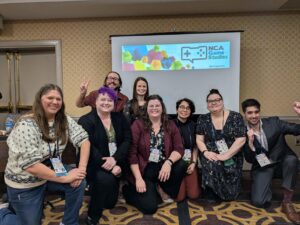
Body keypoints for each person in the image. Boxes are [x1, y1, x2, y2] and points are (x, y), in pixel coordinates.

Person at [3, 83, 90, 225]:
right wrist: (65, 178)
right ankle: (3, 211)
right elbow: (31, 166)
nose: (55, 102)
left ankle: (69, 222)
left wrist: (81, 169)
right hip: (26, 182)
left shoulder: (63, 120)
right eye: (50, 98)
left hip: (51, 172)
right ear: (39, 100)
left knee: (79, 182)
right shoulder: (26, 125)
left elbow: (84, 140)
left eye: (58, 99)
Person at [123, 95, 187, 214]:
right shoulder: (138, 124)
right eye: (151, 106)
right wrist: (138, 179)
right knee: (150, 208)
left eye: (157, 105)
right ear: (147, 108)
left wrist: (168, 162)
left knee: (181, 164)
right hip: (145, 169)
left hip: (163, 167)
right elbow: (131, 154)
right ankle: (128, 190)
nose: (154, 108)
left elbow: (179, 148)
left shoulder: (170, 124)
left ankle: (161, 187)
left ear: (162, 108)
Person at [78, 86, 131, 225]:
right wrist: (108, 165)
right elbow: (89, 147)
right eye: (103, 99)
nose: (106, 103)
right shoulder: (86, 120)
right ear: (95, 102)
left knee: (110, 203)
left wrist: (115, 160)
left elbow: (127, 140)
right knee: (104, 180)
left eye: (110, 100)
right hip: (93, 163)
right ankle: (92, 216)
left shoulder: (119, 118)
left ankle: (102, 189)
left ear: (114, 103)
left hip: (116, 160)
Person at [242, 98, 300, 224]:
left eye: (256, 112)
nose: (254, 116)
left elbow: (297, 129)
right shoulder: (242, 132)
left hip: (282, 163)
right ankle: (265, 183)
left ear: (260, 112)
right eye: (250, 113)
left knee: (291, 160)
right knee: (259, 202)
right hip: (263, 167)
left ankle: (287, 202)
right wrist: (251, 144)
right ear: (245, 114)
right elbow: (249, 159)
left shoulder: (274, 122)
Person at [196, 89, 246, 201]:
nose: (214, 103)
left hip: (231, 153)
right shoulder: (202, 119)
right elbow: (199, 140)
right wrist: (205, 152)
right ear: (207, 104)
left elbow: (241, 139)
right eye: (210, 101)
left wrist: (226, 155)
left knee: (231, 193)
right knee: (212, 163)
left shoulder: (235, 117)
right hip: (210, 153)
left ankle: (228, 192)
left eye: (217, 100)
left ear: (222, 101)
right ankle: (211, 191)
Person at [174, 98, 201, 202]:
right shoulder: (169, 124)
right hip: (175, 162)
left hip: (189, 160)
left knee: (193, 195)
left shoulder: (193, 125)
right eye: (181, 107)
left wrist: (193, 162)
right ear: (177, 110)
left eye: (188, 108)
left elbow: (195, 146)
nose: (184, 110)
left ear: (191, 111)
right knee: (179, 197)